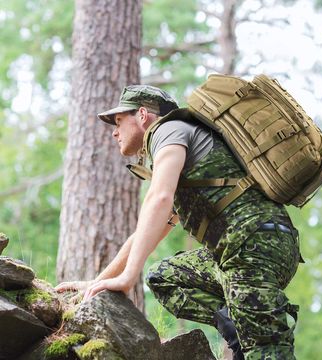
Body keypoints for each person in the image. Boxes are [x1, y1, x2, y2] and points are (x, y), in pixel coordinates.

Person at [56, 84, 303, 360]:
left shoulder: (167, 131)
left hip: (253, 248)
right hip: (241, 251)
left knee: (268, 353)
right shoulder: (184, 144)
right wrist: (99, 281)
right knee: (164, 277)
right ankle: (241, 328)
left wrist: (128, 278)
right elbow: (152, 226)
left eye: (118, 121)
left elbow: (159, 199)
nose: (115, 131)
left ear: (142, 115)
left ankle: (256, 332)